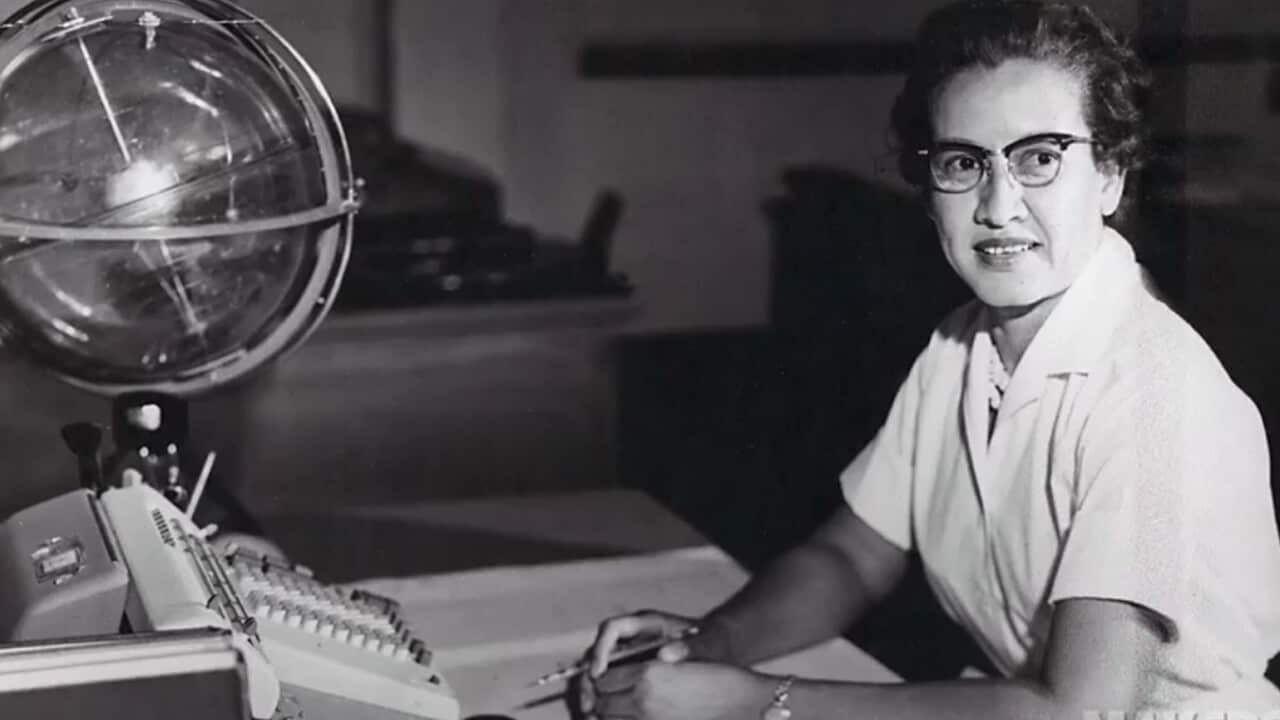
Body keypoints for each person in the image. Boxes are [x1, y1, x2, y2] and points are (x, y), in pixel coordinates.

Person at [580, 1, 1280, 718]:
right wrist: (709, 644)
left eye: (1040, 158)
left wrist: (760, 702)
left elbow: (1076, 713)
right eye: (964, 163)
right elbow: (853, 558)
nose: (998, 206)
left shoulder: (1159, 397)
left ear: (1110, 176)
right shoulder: (960, 347)